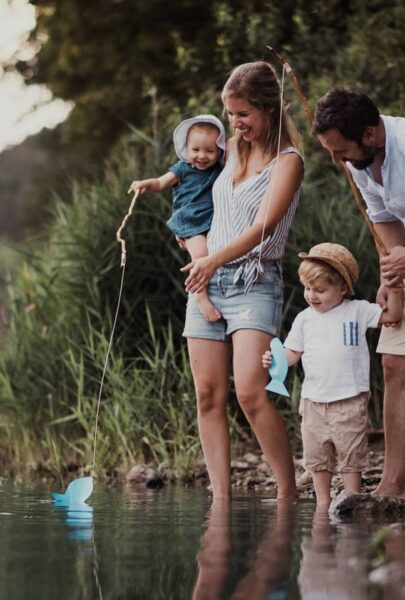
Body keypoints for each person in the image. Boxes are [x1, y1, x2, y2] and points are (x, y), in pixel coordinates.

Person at [180, 61, 304, 500]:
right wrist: (190, 236)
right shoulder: (229, 148)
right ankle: (221, 500)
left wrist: (213, 260)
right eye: (231, 114)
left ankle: (288, 494)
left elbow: (263, 228)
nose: (235, 123)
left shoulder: (289, 161)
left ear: (269, 107)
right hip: (207, 282)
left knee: (251, 393)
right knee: (207, 395)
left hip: (255, 281)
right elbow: (189, 190)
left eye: (243, 113)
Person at [312, 88, 405, 502]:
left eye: (340, 151)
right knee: (395, 361)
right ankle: (395, 486)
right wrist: (392, 276)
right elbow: (386, 220)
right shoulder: (360, 162)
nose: (336, 160)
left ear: (370, 134)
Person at [262, 243, 403, 506]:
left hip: (349, 399)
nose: (312, 296)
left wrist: (395, 288)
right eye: (307, 288)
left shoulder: (357, 310)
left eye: (320, 290)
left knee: (351, 455)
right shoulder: (305, 319)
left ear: (343, 288)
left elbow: (392, 314)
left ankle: (351, 499)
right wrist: (276, 359)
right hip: (313, 401)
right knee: (317, 457)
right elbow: (292, 353)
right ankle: (322, 504)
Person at [130, 114, 226, 322]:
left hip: (212, 221)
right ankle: (201, 297)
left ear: (219, 150)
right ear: (186, 148)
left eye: (209, 151)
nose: (202, 156)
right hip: (190, 221)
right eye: (195, 150)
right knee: (200, 255)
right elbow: (160, 183)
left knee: (217, 252)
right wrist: (145, 184)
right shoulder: (182, 169)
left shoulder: (219, 170)